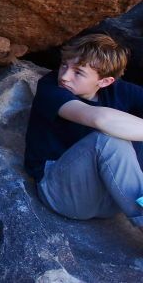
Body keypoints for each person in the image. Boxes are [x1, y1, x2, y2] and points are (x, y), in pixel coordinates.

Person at [24, 33, 143, 228]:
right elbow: (99, 118)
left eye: (78, 72)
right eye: (64, 65)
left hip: (112, 196)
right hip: (61, 192)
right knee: (109, 139)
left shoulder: (120, 91)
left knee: (128, 133)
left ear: (105, 81)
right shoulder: (50, 87)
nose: (64, 76)